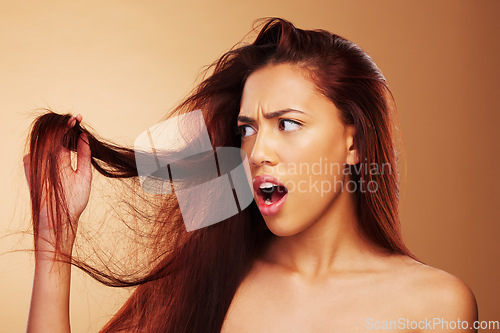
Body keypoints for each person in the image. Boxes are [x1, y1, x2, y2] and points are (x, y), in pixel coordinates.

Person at [23, 17, 478, 333]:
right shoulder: (209, 279)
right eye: (247, 129)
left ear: (354, 143)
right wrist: (54, 241)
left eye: (289, 123)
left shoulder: (436, 305)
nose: (257, 152)